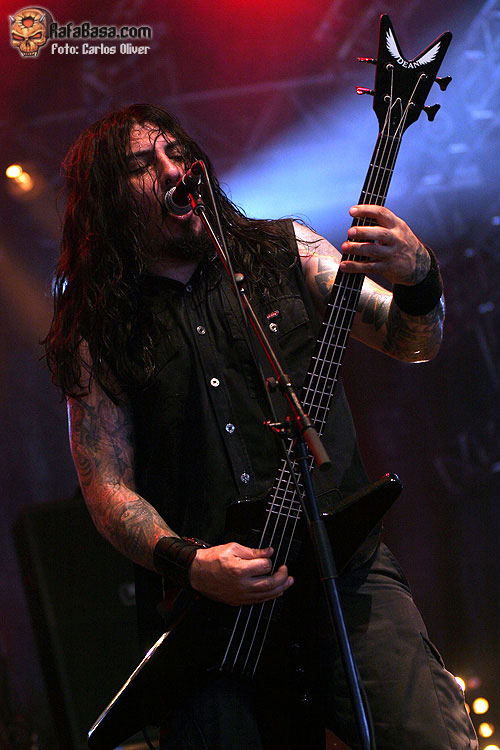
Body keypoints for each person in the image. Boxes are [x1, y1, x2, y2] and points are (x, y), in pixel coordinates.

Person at [45, 103, 477, 750]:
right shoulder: (97, 330)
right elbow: (105, 484)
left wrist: (418, 276)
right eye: (141, 165)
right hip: (217, 613)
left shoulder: (285, 250)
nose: (173, 170)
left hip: (344, 571)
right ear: (108, 199)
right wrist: (191, 562)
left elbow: (412, 340)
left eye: (176, 152)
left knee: (428, 737)